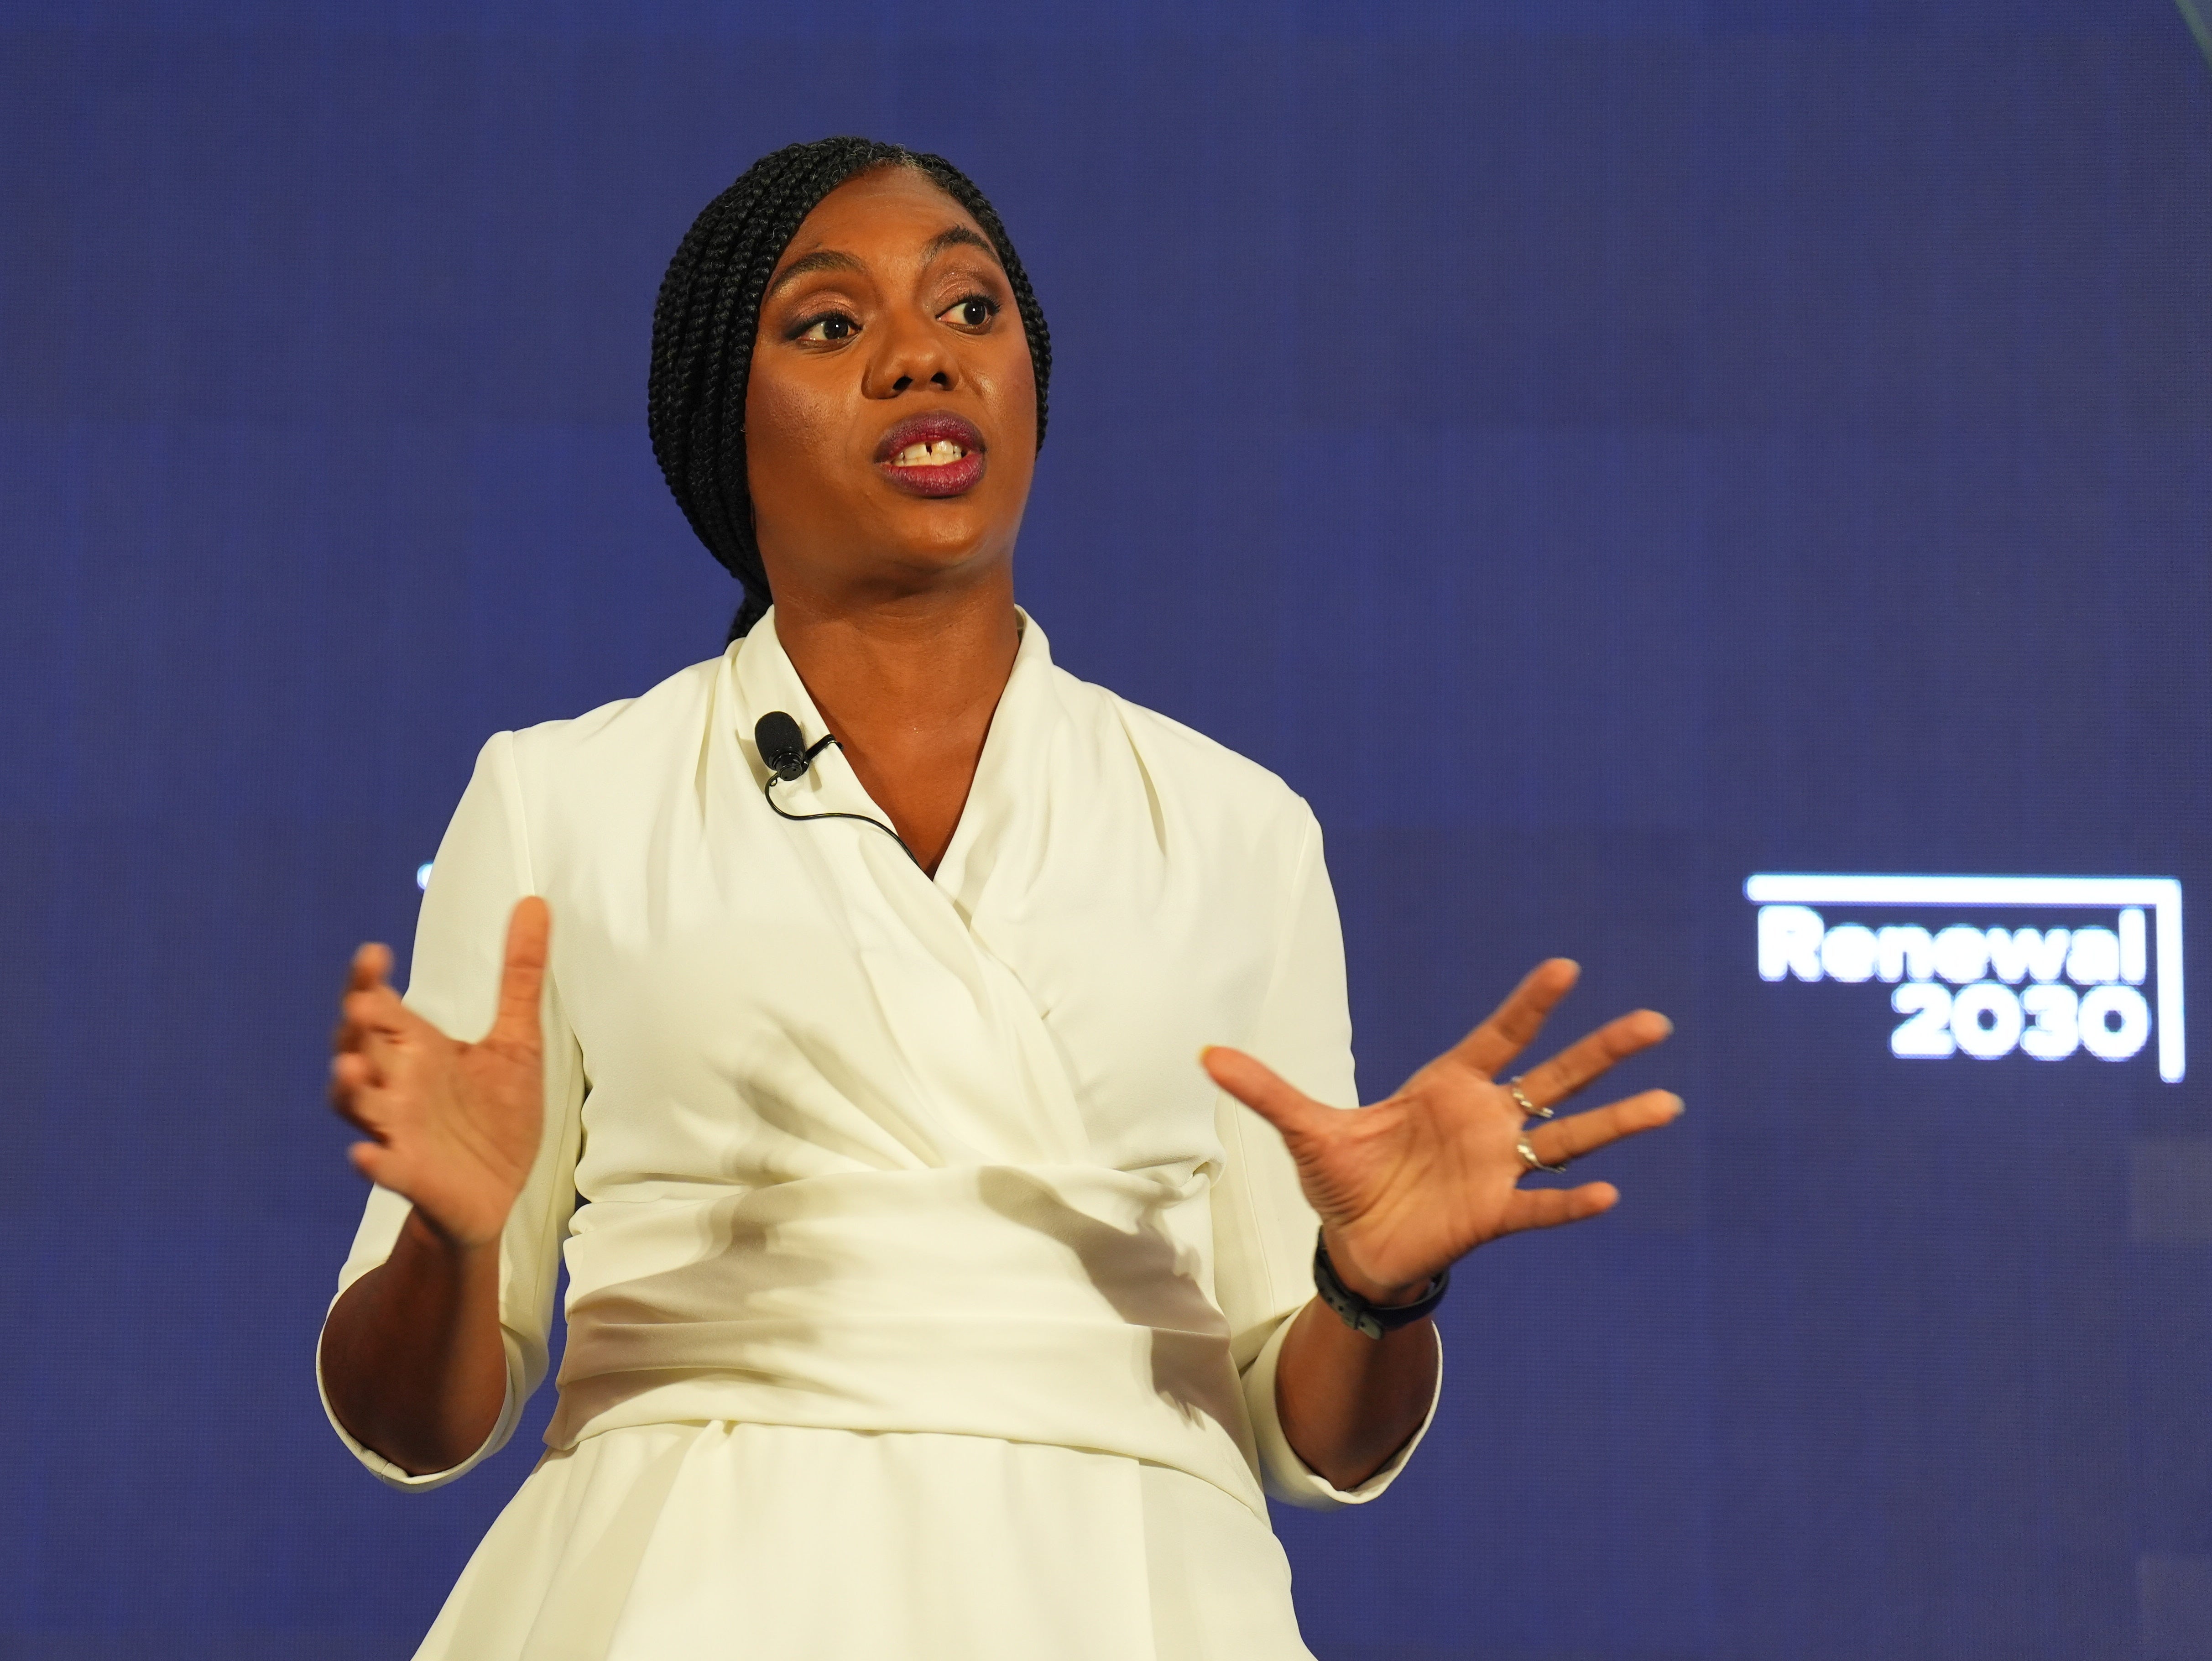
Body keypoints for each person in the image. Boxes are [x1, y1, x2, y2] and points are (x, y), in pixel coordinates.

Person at [316, 136, 1681, 1661]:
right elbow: (414, 1422)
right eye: (831, 327)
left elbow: (1315, 1437)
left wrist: (1376, 1289)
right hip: (685, 1586)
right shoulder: (562, 799)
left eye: (971, 312)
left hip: (1135, 1596)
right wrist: (448, 1238)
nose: (921, 359)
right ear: (721, 421)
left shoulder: (1236, 826)